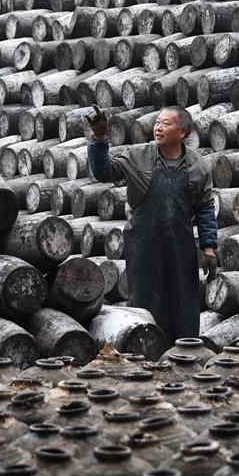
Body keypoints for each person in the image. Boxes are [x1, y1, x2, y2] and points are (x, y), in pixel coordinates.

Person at [85, 105, 218, 343]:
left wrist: (209, 248)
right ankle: (145, 350)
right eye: (157, 122)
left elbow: (205, 207)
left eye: (166, 123)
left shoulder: (199, 166)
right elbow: (103, 172)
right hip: (144, 245)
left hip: (180, 247)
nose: (158, 127)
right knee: (146, 301)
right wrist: (100, 137)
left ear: (183, 132)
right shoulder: (138, 156)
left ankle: (183, 352)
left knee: (183, 302)